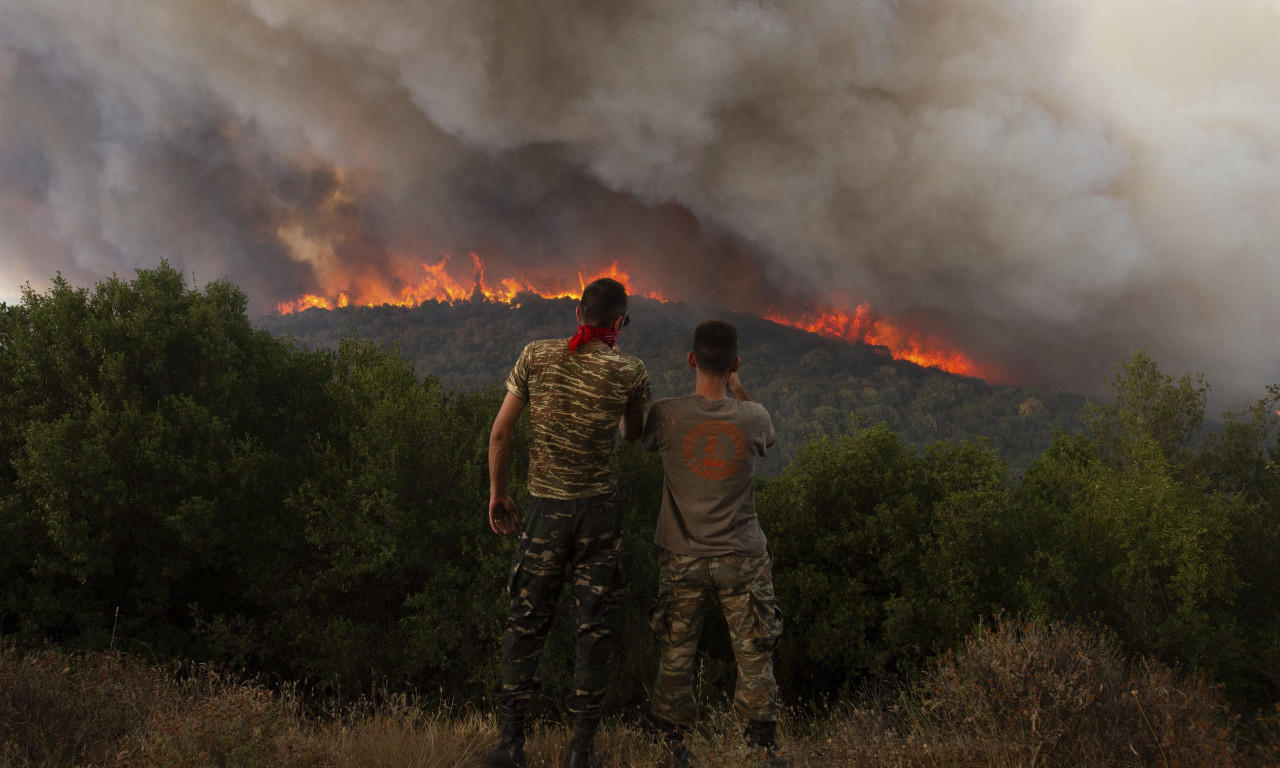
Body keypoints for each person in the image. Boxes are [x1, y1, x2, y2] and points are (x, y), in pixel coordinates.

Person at [486, 277, 653, 768]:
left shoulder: (536, 355)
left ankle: (512, 745)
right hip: (598, 515)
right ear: (619, 322)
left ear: (579, 314)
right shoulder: (630, 370)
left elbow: (500, 433)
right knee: (593, 629)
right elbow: (631, 435)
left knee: (525, 623)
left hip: (544, 512)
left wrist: (499, 494)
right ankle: (581, 752)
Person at [641, 320, 790, 768]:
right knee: (754, 651)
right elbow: (772, 439)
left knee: (675, 652)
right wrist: (739, 390)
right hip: (741, 557)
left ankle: (672, 750)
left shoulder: (664, 415)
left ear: (691, 359)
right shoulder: (754, 416)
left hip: (682, 556)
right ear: (735, 364)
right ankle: (761, 751)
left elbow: (639, 439)